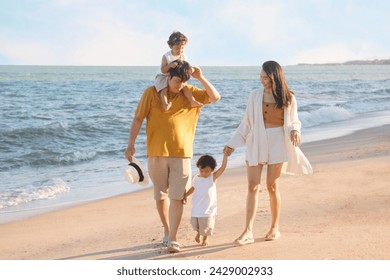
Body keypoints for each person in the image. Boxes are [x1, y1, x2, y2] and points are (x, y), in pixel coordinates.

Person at [125, 59, 221, 253]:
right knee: (160, 196)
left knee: (177, 197)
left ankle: (174, 238)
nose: (181, 85)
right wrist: (131, 145)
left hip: (182, 154)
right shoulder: (151, 93)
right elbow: (138, 119)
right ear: (168, 77)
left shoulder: (191, 93)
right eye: (177, 81)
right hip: (156, 153)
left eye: (184, 82)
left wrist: (200, 77)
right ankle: (167, 231)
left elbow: (215, 97)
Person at [223, 60, 312, 245]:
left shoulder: (288, 97)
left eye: (265, 77)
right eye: (260, 76)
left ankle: (274, 227)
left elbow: (294, 120)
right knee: (253, 186)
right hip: (256, 142)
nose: (261, 80)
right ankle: (247, 231)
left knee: (272, 186)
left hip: (278, 142)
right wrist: (233, 144)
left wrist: (295, 130)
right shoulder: (254, 95)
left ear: (274, 77)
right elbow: (246, 123)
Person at [183, 153, 228, 246]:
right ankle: (199, 233)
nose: (203, 173)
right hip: (197, 207)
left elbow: (223, 168)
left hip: (208, 208)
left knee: (206, 225)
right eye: (201, 170)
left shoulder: (213, 177)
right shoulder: (196, 177)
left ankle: (205, 239)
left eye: (206, 171)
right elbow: (193, 188)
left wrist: (225, 156)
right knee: (196, 224)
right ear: (198, 168)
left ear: (212, 170)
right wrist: (186, 195)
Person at [155, 31, 203, 111]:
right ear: (171, 46)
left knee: (185, 86)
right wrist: (170, 65)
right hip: (163, 75)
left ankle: (192, 101)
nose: (180, 51)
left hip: (176, 75)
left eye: (182, 48)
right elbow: (163, 70)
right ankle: (165, 104)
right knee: (164, 89)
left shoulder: (183, 56)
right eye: (177, 48)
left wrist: (191, 69)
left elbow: (186, 66)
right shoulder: (166, 56)